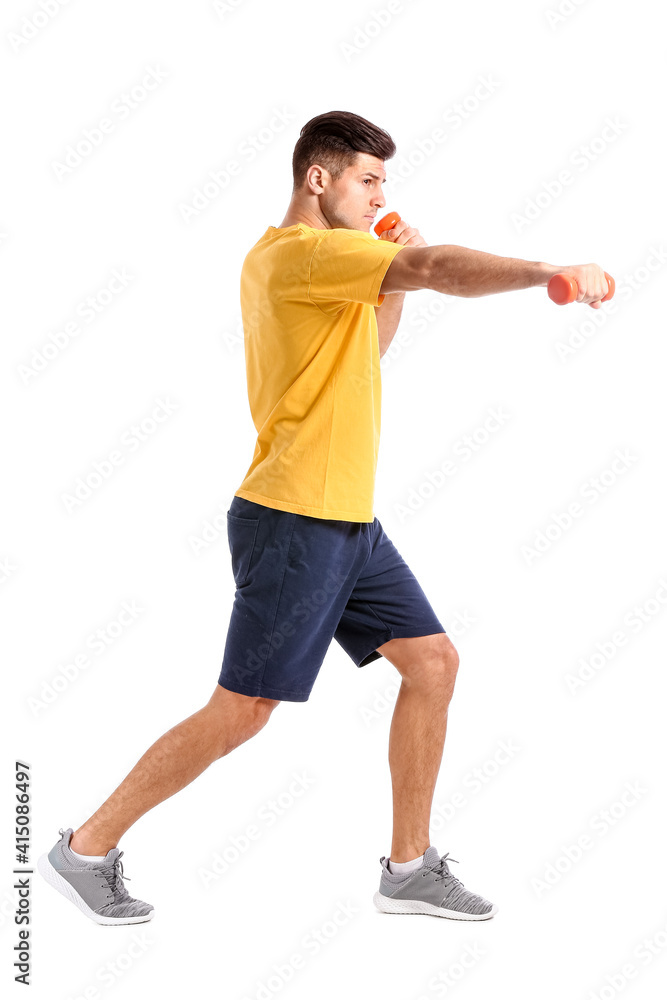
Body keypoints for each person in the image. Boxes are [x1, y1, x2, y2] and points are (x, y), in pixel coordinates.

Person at [38, 110, 610, 925]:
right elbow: (437, 264)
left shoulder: (329, 266)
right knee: (242, 712)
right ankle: (84, 849)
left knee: (434, 664)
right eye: (369, 179)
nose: (381, 194)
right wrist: (545, 268)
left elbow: (371, 344)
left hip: (347, 521)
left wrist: (392, 274)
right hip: (294, 519)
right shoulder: (302, 254)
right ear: (319, 179)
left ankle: (407, 869)